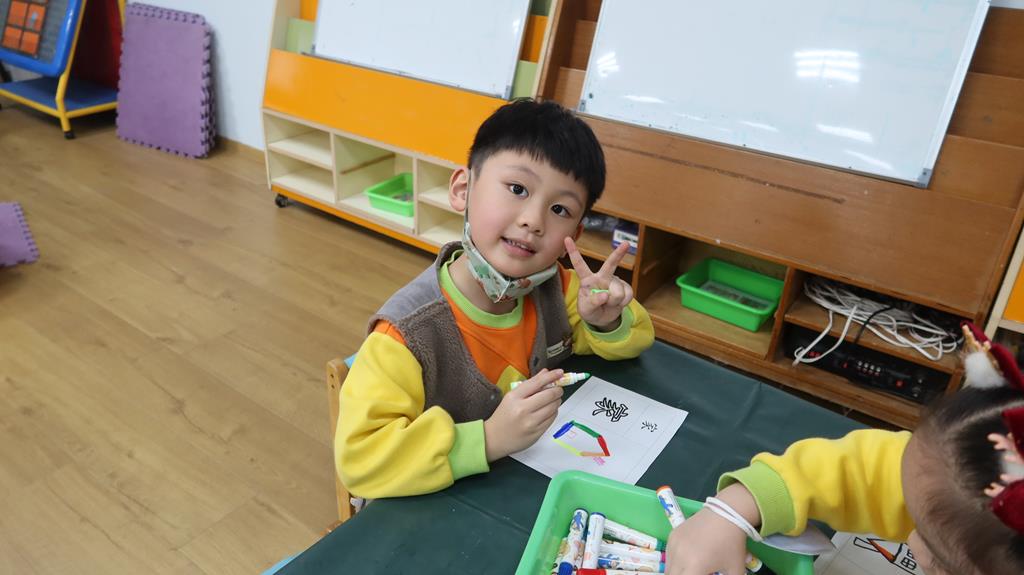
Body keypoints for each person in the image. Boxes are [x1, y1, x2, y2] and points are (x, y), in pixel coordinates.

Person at [336, 99, 655, 499]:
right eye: (517, 189)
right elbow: (359, 461)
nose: (533, 221)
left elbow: (636, 341)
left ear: (575, 232)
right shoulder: (404, 337)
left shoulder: (558, 288)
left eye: (560, 209)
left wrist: (604, 321)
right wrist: (488, 439)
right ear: (463, 190)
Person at [665, 322, 1024, 575]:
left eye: (937, 556)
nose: (912, 543)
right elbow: (860, 469)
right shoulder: (950, 474)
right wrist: (733, 509)